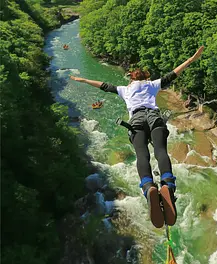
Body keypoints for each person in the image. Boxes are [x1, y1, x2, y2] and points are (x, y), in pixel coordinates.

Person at [70, 46, 204, 228]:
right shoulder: (153, 84)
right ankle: (168, 185)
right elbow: (174, 73)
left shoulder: (125, 89)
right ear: (146, 77)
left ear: (131, 78)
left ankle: (149, 187)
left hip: (136, 120)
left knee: (142, 156)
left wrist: (83, 79)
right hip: (154, 117)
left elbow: (103, 85)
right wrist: (192, 58)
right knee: (160, 151)